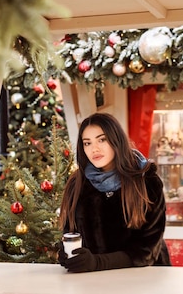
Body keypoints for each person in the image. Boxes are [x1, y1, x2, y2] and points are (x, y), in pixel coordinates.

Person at [58, 112, 171, 272]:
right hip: (95, 282)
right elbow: (71, 234)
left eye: (102, 139)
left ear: (116, 140)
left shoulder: (146, 182)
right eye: (87, 143)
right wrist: (67, 254)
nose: (94, 149)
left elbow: (147, 251)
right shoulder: (77, 184)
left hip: (145, 279)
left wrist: (96, 263)